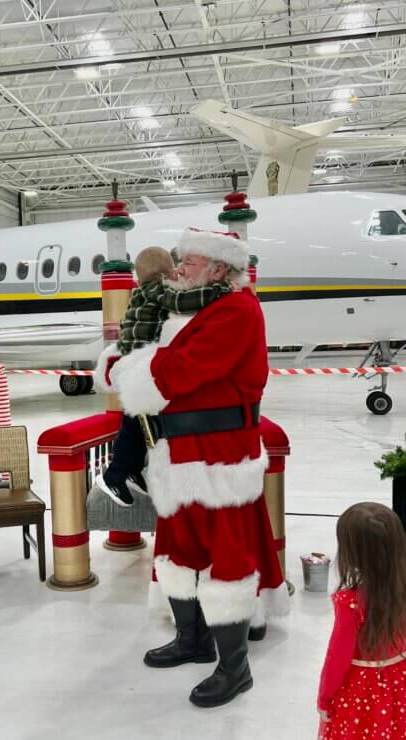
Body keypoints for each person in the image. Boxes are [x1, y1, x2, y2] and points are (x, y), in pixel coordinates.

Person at [105, 227, 289, 707]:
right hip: (178, 455)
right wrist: (130, 363)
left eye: (189, 260)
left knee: (226, 558)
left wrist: (126, 369)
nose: (179, 266)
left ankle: (235, 668)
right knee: (177, 548)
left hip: (219, 461)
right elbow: (152, 359)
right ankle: (193, 639)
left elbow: (176, 371)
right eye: (181, 259)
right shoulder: (193, 308)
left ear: (218, 268)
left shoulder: (237, 310)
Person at [95, 245, 232, 507]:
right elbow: (179, 301)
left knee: (137, 424)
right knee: (135, 425)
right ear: (167, 272)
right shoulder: (156, 289)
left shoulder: (143, 290)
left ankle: (130, 471)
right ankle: (114, 475)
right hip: (138, 366)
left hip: (137, 363)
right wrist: (218, 291)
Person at [317, 502, 406, 740]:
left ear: (353, 553)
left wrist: (325, 697)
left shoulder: (350, 602)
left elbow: (338, 658)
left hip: (361, 688)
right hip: (405, 680)